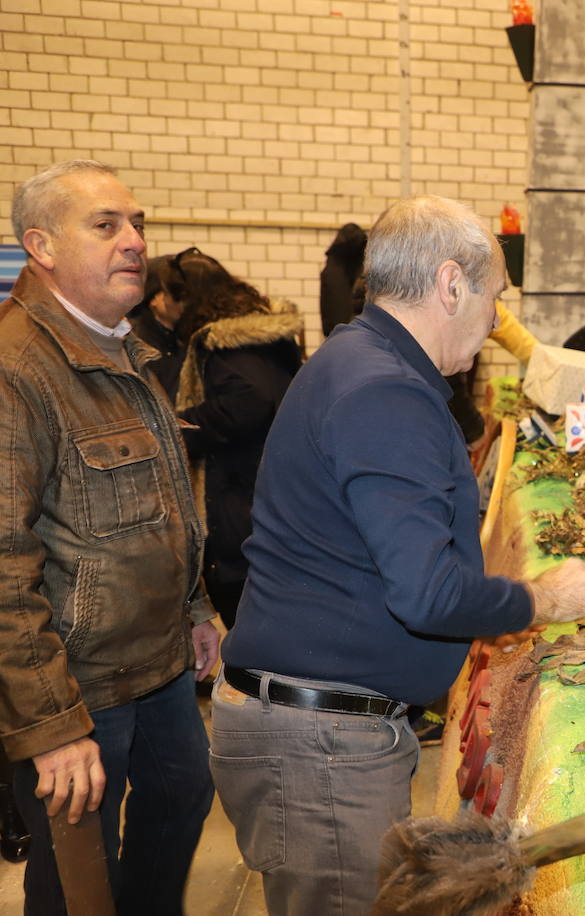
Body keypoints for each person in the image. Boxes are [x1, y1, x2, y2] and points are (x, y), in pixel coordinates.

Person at [211, 195, 585, 915]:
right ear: (451, 285)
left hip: (325, 730)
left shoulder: (364, 362)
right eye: (493, 298)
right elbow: (427, 593)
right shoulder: (383, 392)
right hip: (319, 745)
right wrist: (541, 600)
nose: (494, 320)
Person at [0, 160, 219, 914]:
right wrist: (53, 727)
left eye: (138, 224)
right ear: (42, 245)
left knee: (180, 805)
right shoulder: (16, 367)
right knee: (80, 881)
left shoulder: (122, 348)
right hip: (78, 687)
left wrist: (193, 612)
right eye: (107, 226)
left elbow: (160, 504)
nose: (135, 241)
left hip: (155, 669)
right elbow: (2, 566)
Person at [166, 247, 304, 628]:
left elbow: (250, 400)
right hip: (272, 497)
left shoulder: (228, 347)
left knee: (254, 626)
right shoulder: (267, 339)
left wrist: (181, 426)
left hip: (241, 501)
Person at [126, 254, 187, 398]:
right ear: (154, 299)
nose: (184, 302)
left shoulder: (184, 336)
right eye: (176, 294)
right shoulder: (137, 341)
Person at [319, 222, 368, 337]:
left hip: (336, 333)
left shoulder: (331, 268)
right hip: (360, 333)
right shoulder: (361, 267)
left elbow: (325, 304)